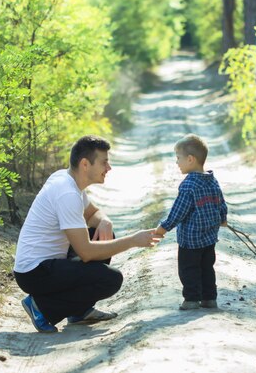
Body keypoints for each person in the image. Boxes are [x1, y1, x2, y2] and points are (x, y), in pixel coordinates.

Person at [13, 135, 162, 333]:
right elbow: (87, 253)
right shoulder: (66, 192)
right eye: (104, 162)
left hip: (47, 264)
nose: (109, 168)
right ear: (85, 164)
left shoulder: (68, 181)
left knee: (101, 234)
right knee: (110, 279)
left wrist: (105, 221)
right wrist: (134, 241)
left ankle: (79, 311)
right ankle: (41, 307)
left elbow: (93, 215)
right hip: (34, 272)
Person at [154, 134, 227, 310]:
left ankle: (192, 300)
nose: (176, 162)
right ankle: (209, 299)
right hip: (209, 238)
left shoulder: (189, 185)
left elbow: (179, 211)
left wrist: (163, 228)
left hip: (190, 240)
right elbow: (221, 202)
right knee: (207, 269)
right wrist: (223, 218)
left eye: (178, 158)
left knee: (189, 270)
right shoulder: (212, 180)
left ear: (190, 159)